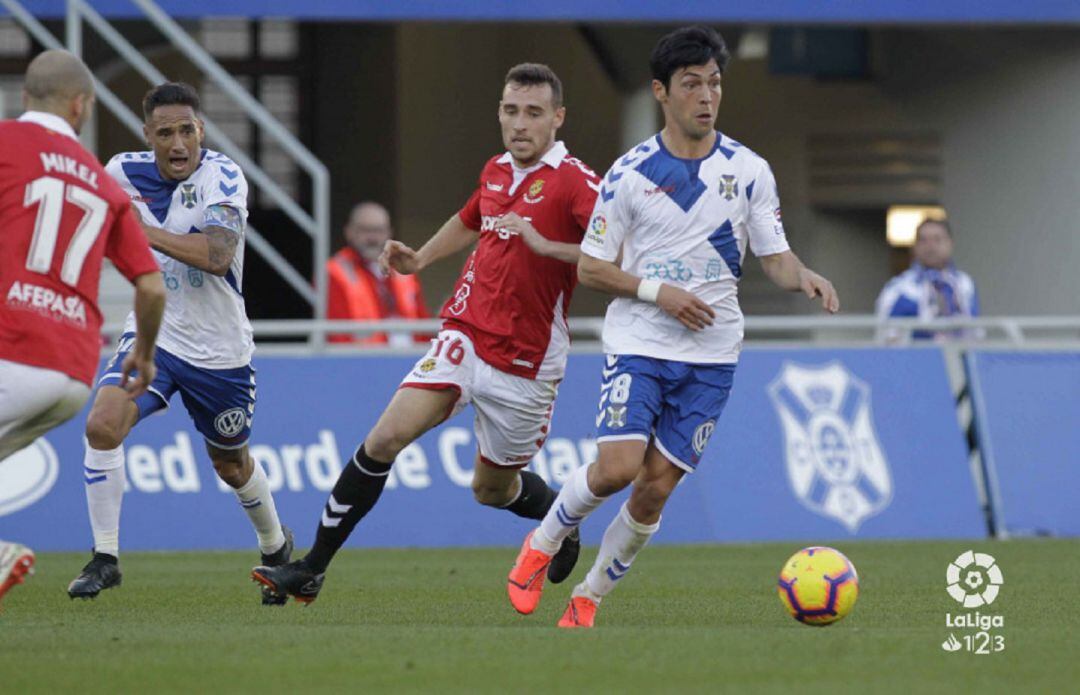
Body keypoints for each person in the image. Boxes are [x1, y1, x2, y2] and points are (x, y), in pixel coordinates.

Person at [506, 26, 840, 628]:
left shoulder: (749, 170)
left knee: (654, 490)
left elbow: (773, 255)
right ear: (662, 91)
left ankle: (589, 598)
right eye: (692, 84)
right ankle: (544, 541)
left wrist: (804, 276)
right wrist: (663, 294)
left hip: (713, 354)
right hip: (641, 341)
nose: (706, 96)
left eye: (714, 83)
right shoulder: (629, 174)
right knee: (617, 468)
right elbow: (591, 266)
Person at [252, 63, 601, 603]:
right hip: (464, 335)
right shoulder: (495, 170)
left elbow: (614, 253)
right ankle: (312, 568)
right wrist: (419, 258)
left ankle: (563, 519)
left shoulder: (576, 181)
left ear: (558, 118)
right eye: (511, 111)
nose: (520, 124)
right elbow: (470, 218)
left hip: (526, 363)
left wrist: (547, 245)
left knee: (491, 490)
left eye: (534, 113)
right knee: (385, 438)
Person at [66, 82, 293, 604]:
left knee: (231, 465)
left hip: (220, 352)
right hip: (155, 336)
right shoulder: (120, 172)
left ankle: (276, 549)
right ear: (148, 136)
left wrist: (140, 229)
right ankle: (105, 558)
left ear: (201, 131)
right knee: (102, 426)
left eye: (186, 130)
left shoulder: (224, 177)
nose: (177, 144)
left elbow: (217, 254)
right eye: (164, 133)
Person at [0, 50, 165, 608]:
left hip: (12, 347)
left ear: (26, 97)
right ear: (82, 106)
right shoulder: (102, 182)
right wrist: (142, 354)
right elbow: (151, 285)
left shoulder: (6, 143)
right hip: (72, 373)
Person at [326, 201, 430, 345]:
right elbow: (336, 333)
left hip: (410, 358)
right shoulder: (335, 271)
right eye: (365, 230)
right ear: (349, 232)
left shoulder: (403, 267)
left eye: (379, 230)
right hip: (364, 360)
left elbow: (422, 323)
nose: (373, 238)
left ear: (389, 233)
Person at [875, 218, 979, 341]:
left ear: (950, 243)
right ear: (914, 246)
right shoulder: (900, 288)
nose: (930, 246)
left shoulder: (964, 284)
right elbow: (887, 336)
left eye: (937, 239)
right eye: (923, 240)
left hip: (959, 357)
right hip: (917, 357)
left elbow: (976, 331)